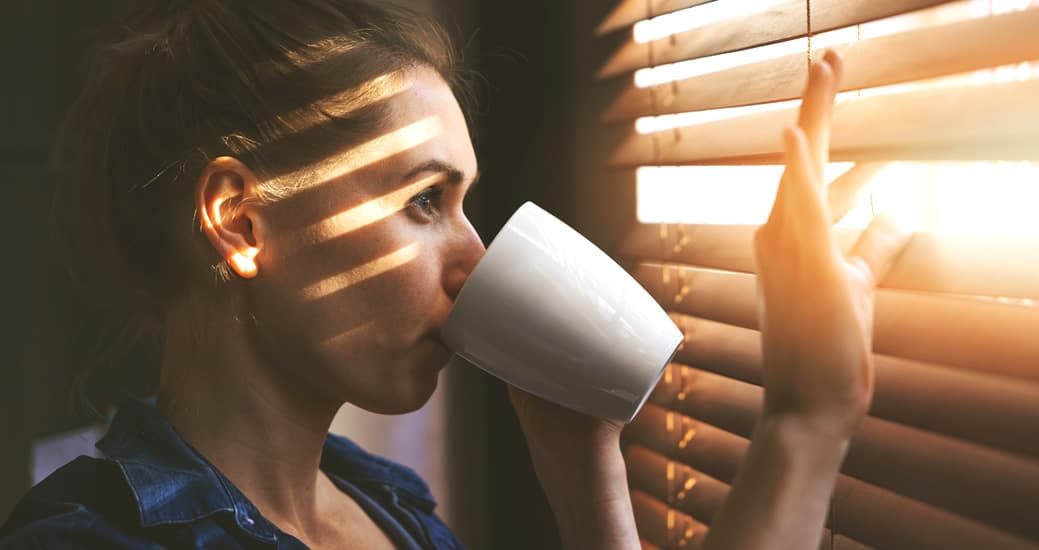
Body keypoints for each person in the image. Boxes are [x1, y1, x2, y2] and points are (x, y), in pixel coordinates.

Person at [0, 1, 907, 548]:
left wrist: (587, 468)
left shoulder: (386, 504)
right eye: (425, 202)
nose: (475, 260)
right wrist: (802, 423)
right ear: (240, 222)